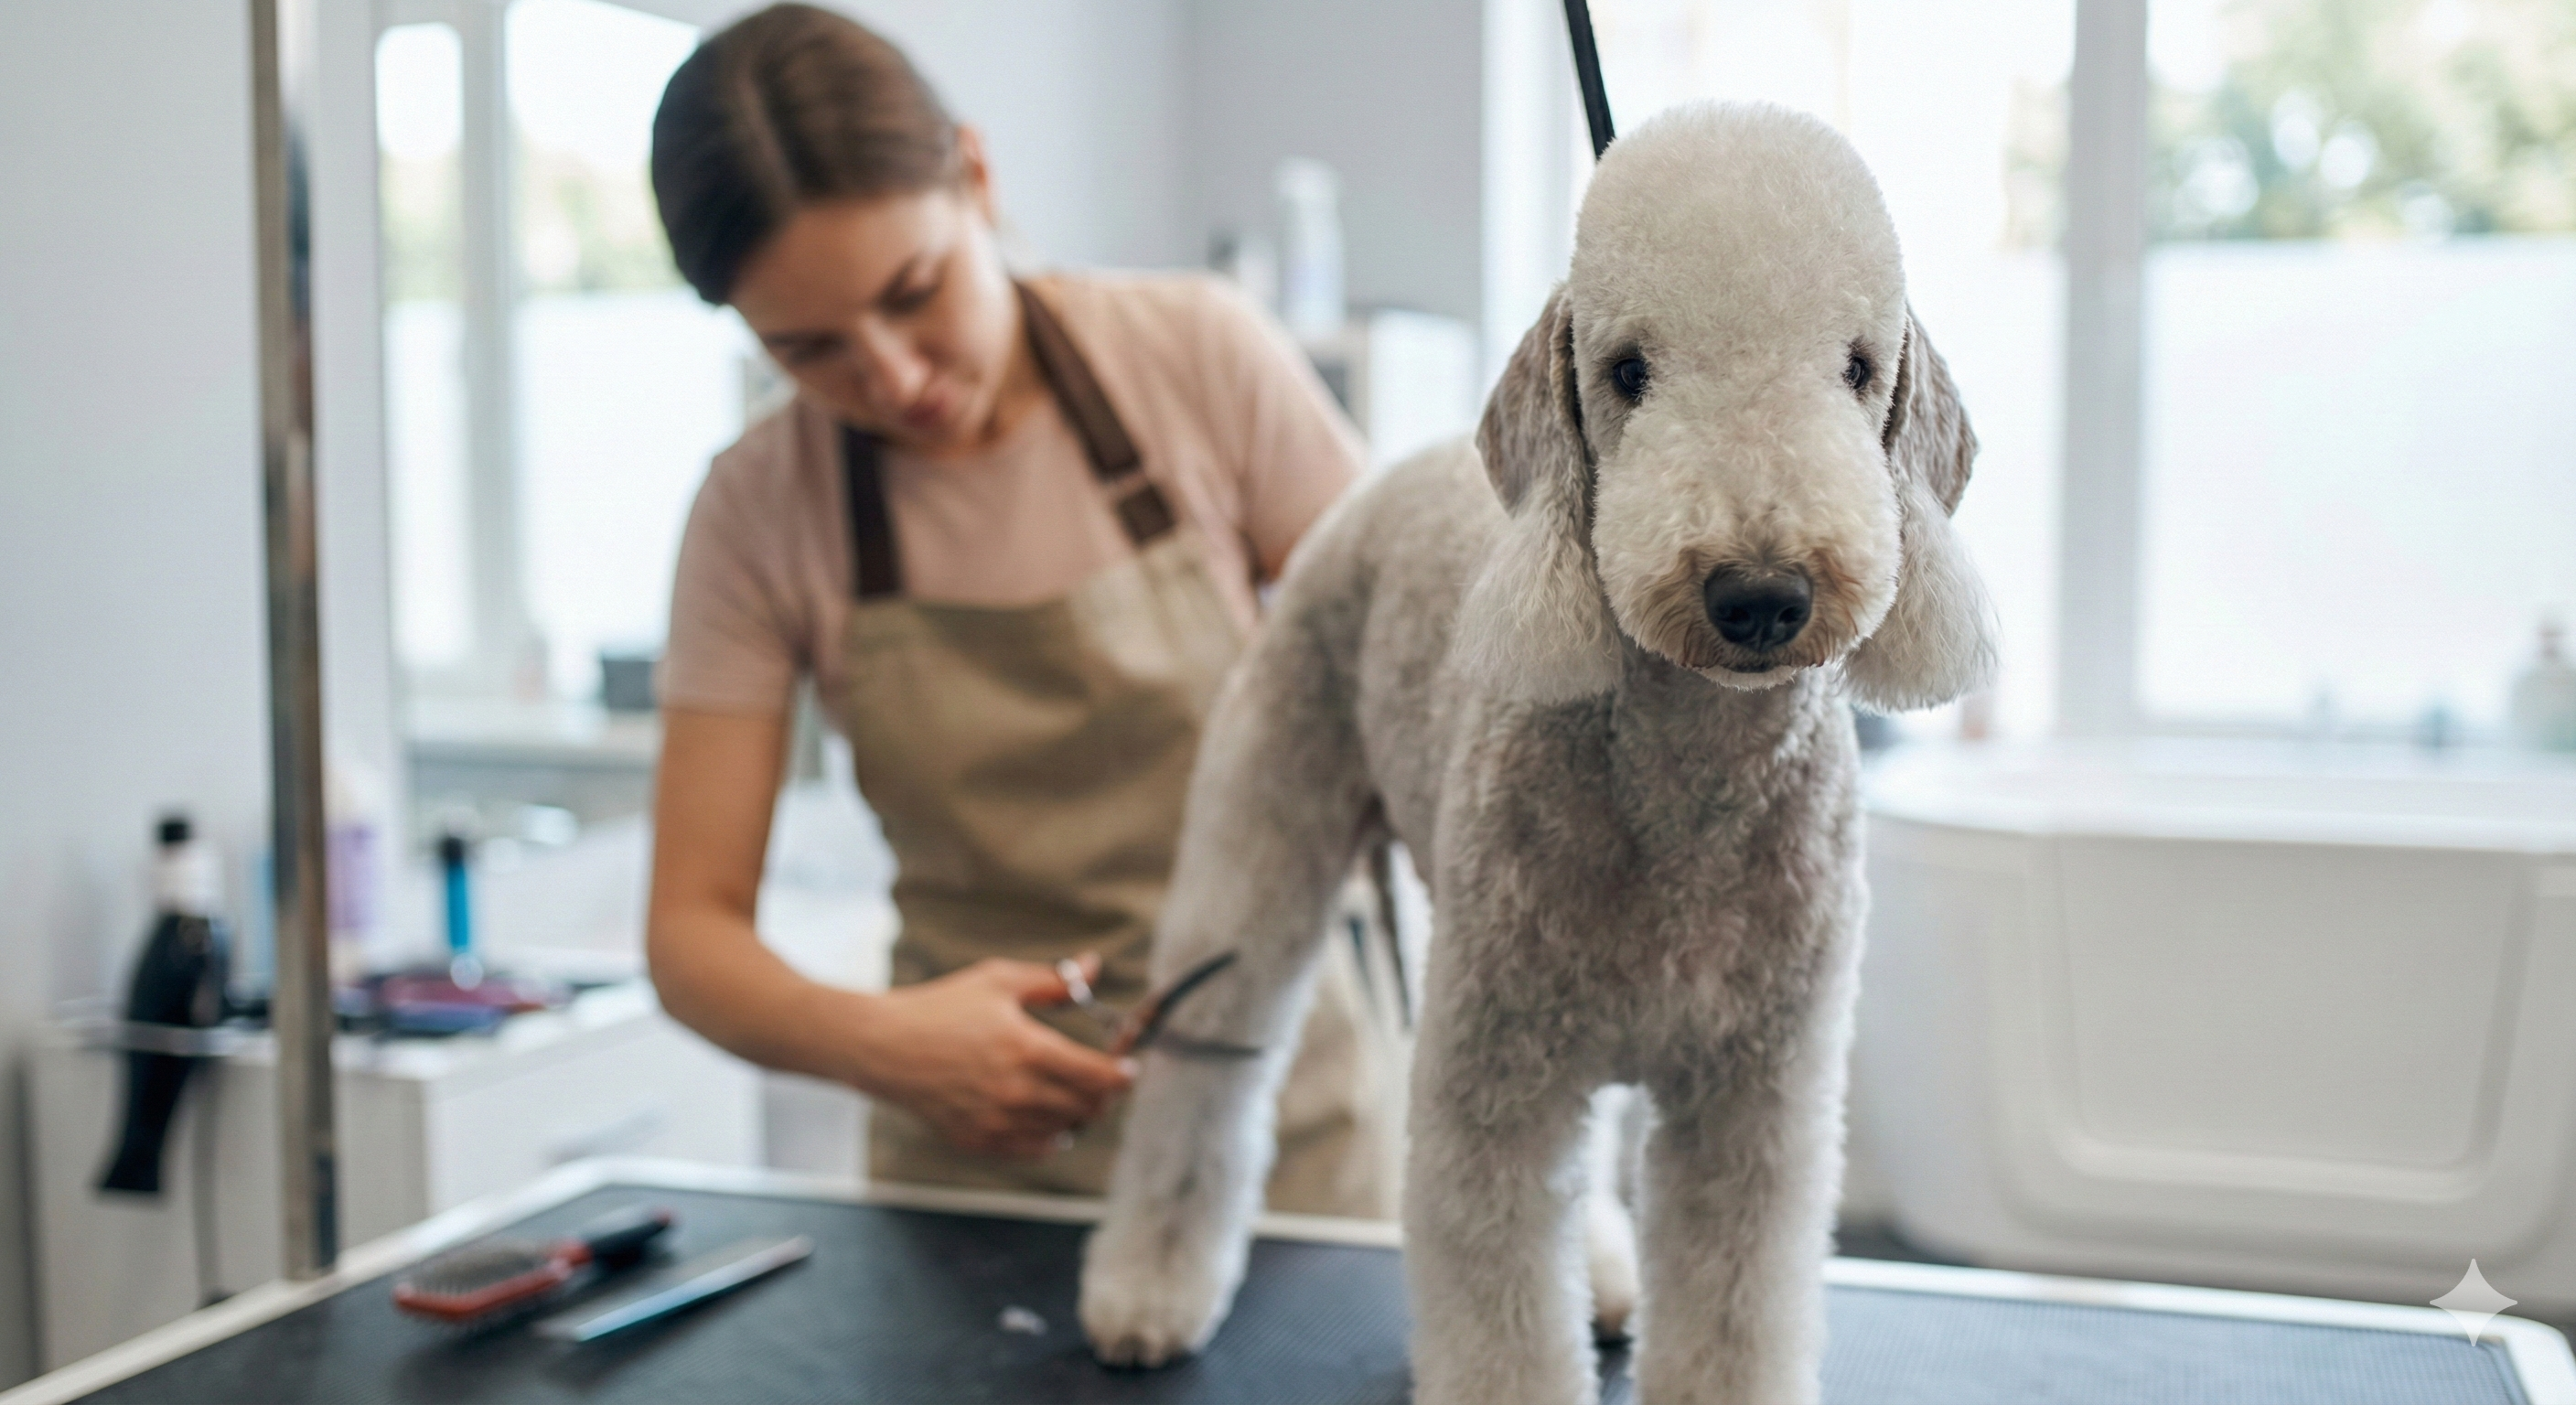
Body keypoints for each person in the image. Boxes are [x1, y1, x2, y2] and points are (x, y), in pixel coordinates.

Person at [641, 4, 1398, 1217]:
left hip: (1284, 1139)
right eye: (811, 350)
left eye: (914, 291)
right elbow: (690, 935)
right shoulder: (756, 511)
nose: (893, 377)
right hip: (973, 1177)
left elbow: (1415, 681)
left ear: (977, 178)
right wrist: (885, 1046)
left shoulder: (1195, 358)